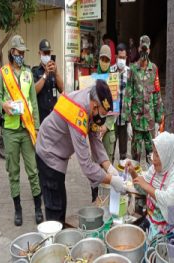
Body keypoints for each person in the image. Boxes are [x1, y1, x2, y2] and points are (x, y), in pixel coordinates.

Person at [35, 79, 126, 223]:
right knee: (55, 207)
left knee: (60, 203)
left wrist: (109, 166)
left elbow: (95, 137)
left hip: (58, 152)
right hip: (49, 152)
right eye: (102, 114)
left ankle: (58, 235)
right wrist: (112, 180)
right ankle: (53, 240)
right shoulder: (78, 113)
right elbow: (86, 165)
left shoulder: (91, 98)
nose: (101, 118)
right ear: (94, 106)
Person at [0, 35, 43, 226]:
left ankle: (38, 208)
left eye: (23, 52)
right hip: (11, 130)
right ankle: (18, 209)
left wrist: (37, 127)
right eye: (18, 52)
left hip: (27, 129)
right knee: (13, 172)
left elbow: (34, 103)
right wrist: (3, 106)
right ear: (12, 52)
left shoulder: (28, 74)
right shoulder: (3, 73)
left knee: (33, 170)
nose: (21, 55)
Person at [125, 131, 174, 247]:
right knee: (132, 240)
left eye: (158, 155)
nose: (153, 159)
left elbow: (169, 201)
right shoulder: (153, 170)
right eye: (154, 153)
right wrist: (133, 173)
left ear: (166, 155)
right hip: (151, 221)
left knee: (151, 252)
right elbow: (142, 188)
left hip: (169, 228)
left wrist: (147, 186)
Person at [123, 35, 164, 163]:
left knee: (152, 159)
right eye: (142, 49)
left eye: (146, 50)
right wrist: (128, 122)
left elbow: (157, 96)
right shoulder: (133, 70)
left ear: (149, 51)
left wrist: (158, 121)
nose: (144, 52)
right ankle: (136, 183)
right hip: (136, 124)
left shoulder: (154, 69)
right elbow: (128, 96)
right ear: (139, 48)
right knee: (135, 159)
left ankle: (150, 183)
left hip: (150, 124)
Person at [32, 39, 64, 123]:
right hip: (41, 117)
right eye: (44, 53)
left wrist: (56, 72)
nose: (47, 55)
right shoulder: (35, 71)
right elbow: (33, 91)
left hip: (53, 117)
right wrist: (45, 74)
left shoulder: (53, 71)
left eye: (48, 53)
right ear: (39, 53)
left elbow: (61, 89)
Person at [96, 45, 117, 163]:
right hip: (95, 129)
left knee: (107, 164)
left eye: (107, 60)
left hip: (109, 130)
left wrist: (106, 126)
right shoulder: (92, 79)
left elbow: (115, 107)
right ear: (99, 59)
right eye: (102, 59)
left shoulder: (114, 80)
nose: (104, 62)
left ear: (110, 61)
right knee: (96, 164)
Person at [110, 43, 130, 161]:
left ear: (126, 58)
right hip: (111, 119)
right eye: (120, 57)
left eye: (124, 58)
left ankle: (123, 177)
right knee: (110, 151)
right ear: (116, 56)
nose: (121, 60)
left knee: (123, 153)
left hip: (124, 119)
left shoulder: (130, 73)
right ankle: (110, 177)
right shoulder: (110, 71)